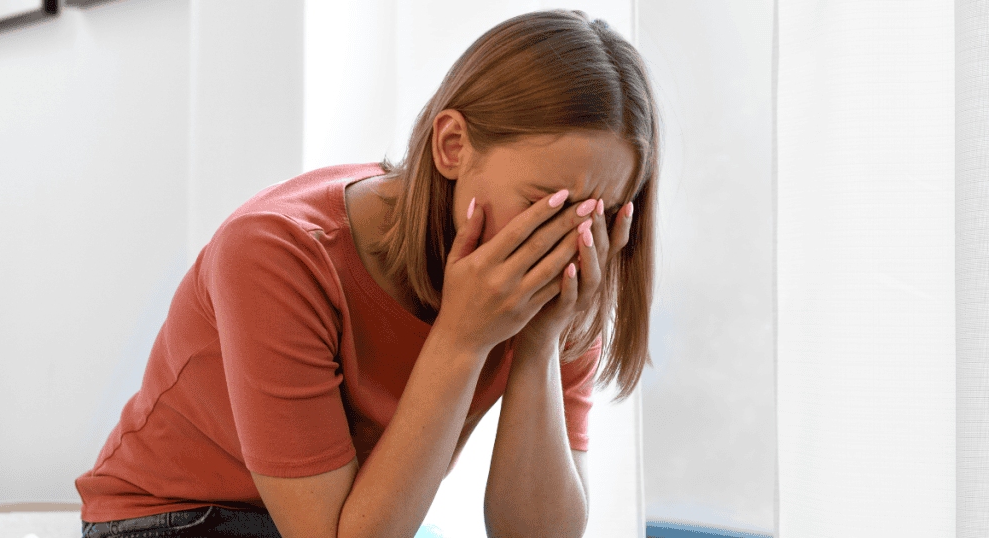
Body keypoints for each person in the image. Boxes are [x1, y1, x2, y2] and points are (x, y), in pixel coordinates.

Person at [76, 8, 660, 538]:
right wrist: (461, 336)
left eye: (603, 213)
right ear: (453, 146)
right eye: (547, 202)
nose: (571, 236)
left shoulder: (570, 266)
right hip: (174, 514)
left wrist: (538, 342)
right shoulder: (276, 252)